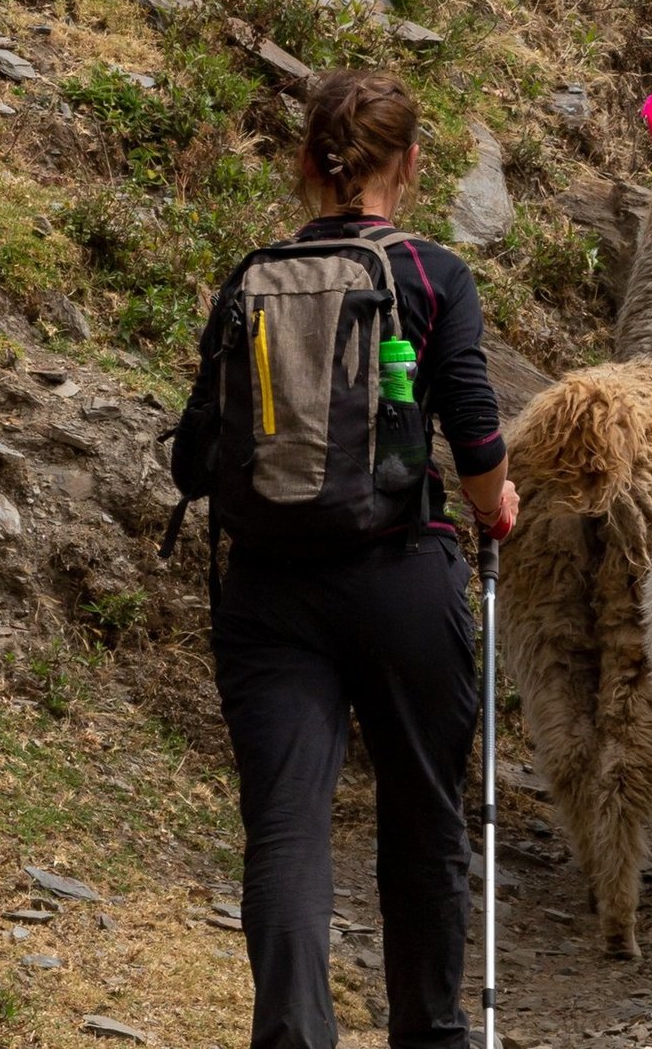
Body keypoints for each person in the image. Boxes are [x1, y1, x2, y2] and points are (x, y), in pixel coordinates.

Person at [180, 71, 518, 1049]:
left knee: (287, 829)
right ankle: (432, 1030)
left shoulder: (250, 278)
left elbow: (195, 456)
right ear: (409, 165)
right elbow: (480, 453)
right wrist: (497, 504)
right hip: (402, 577)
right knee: (421, 817)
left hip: (270, 589)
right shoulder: (431, 274)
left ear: (304, 164)